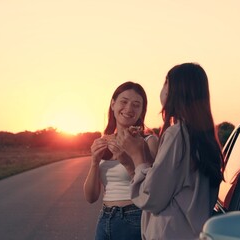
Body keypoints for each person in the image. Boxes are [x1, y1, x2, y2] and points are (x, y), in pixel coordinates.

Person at [117, 62, 224, 240]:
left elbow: (152, 197)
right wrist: (134, 161)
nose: (163, 89)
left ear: (176, 90)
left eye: (166, 82)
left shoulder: (177, 134)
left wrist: (137, 155)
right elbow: (171, 185)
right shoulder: (204, 137)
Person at [84, 81, 159, 240]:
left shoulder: (148, 141)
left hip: (135, 217)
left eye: (136, 105)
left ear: (142, 111)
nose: (129, 109)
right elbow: (91, 197)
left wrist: (126, 161)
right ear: (113, 104)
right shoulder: (103, 142)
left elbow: (153, 190)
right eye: (123, 102)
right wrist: (94, 162)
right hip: (105, 218)